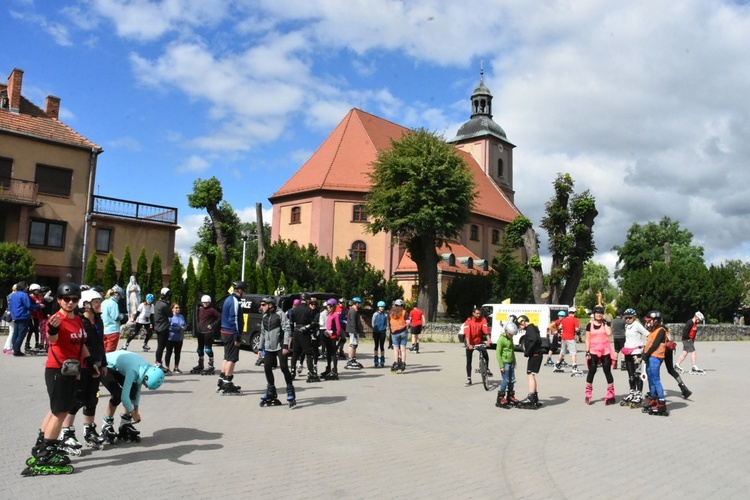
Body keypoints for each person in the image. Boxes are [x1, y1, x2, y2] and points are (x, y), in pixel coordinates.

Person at [22, 282, 96, 476]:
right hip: (58, 370)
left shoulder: (78, 320)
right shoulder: (56, 319)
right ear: (59, 300)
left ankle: (41, 444)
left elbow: (81, 344)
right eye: (66, 299)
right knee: (61, 412)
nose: (70, 302)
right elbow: (52, 339)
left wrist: (89, 361)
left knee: (56, 409)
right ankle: (48, 451)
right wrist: (52, 330)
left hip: (72, 370)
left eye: (74, 299)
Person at [60, 288, 108, 451]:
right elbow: (77, 346)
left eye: (99, 302)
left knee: (92, 398)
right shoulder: (80, 321)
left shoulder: (98, 320)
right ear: (86, 304)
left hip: (97, 364)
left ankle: (89, 430)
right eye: (96, 302)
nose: (99, 305)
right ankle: (66, 432)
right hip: (82, 365)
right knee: (76, 398)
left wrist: (104, 364)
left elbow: (101, 343)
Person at [100, 350, 166, 443]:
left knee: (133, 390)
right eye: (145, 384)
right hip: (105, 365)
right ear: (146, 378)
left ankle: (125, 423)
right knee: (117, 394)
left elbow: (137, 392)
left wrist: (136, 410)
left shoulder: (145, 370)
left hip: (117, 367)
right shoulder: (134, 370)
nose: (144, 385)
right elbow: (124, 397)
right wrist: (133, 413)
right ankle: (106, 425)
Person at [257, 296, 295, 407]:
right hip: (269, 347)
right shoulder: (264, 316)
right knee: (267, 367)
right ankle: (271, 390)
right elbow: (263, 333)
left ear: (270, 305)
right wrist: (260, 348)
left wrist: (285, 345)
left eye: (263, 305)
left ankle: (290, 390)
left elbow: (287, 329)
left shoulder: (280, 314)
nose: (261, 307)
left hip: (280, 346)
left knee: (284, 368)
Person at [218, 281, 247, 394]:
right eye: (244, 291)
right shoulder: (234, 301)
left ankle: (222, 380)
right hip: (231, 333)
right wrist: (237, 336)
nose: (245, 293)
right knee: (232, 358)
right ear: (239, 290)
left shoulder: (228, 299)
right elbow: (234, 319)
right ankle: (227, 383)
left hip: (225, 332)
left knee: (227, 356)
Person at [584, 305, 616, 405]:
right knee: (592, 371)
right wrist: (587, 351)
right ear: (594, 314)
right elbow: (587, 339)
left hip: (605, 350)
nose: (599, 315)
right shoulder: (590, 325)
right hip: (593, 350)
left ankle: (611, 393)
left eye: (601, 313)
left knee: (607, 371)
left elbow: (608, 333)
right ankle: (588, 393)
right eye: (597, 313)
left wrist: (606, 323)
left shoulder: (605, 324)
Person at [619, 308, 650, 408]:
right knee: (630, 375)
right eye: (626, 318)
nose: (628, 319)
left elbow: (648, 334)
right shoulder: (627, 326)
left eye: (630, 317)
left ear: (634, 317)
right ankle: (632, 392)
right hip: (628, 352)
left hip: (636, 353)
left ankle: (639, 394)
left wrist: (645, 347)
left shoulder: (637, 325)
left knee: (637, 375)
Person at [641, 311, 670, 416]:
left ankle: (662, 402)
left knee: (656, 379)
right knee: (651, 378)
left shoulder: (661, 330)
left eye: (650, 321)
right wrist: (644, 354)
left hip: (655, 358)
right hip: (650, 357)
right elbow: (648, 343)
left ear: (656, 320)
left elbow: (655, 344)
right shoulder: (653, 330)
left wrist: (646, 354)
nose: (648, 323)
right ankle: (653, 398)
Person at [290, 293, 321, 381]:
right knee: (308, 353)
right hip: (305, 332)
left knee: (295, 353)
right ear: (307, 300)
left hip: (296, 331)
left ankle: (292, 371)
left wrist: (292, 333)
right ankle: (311, 372)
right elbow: (313, 323)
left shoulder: (294, 310)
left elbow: (291, 322)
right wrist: (310, 327)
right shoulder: (309, 310)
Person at [517, 315, 544, 408]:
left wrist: (527, 352)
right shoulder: (534, 327)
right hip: (537, 355)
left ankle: (531, 397)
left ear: (523, 322)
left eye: (520, 325)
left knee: (530, 375)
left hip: (535, 355)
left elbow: (535, 340)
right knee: (532, 374)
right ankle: (535, 397)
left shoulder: (530, 328)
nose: (520, 327)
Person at [9, 281, 41, 356]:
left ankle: (14, 348)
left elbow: (11, 306)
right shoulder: (24, 295)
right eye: (26, 286)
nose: (27, 288)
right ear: (24, 287)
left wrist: (13, 316)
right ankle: (17, 350)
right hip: (23, 315)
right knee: (21, 334)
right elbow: (29, 306)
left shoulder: (13, 295)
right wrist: (39, 306)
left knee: (15, 333)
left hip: (15, 316)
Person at [192, 295, 221, 375]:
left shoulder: (212, 310)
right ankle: (200, 364)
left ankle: (211, 364)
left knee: (208, 349)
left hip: (208, 332)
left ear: (209, 302)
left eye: (206, 302)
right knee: (199, 350)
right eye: (204, 302)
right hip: (200, 332)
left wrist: (213, 325)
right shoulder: (200, 310)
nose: (205, 304)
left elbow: (220, 317)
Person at [461, 307, 490, 386]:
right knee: (469, 360)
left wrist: (488, 340)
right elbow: (467, 333)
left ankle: (486, 369)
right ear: (473, 313)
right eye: (477, 313)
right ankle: (469, 379)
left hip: (479, 341)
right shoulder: (469, 321)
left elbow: (485, 330)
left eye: (479, 313)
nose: (478, 315)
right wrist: (468, 344)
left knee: (485, 355)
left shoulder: (483, 319)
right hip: (470, 342)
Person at [495, 316, 519, 408]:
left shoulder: (510, 338)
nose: (512, 336)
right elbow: (498, 353)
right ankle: (500, 397)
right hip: (504, 363)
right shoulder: (501, 339)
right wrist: (501, 365)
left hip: (511, 362)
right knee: (505, 380)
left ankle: (510, 396)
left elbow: (512, 351)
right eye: (511, 334)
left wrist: (515, 362)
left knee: (512, 380)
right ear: (507, 332)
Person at [556, 307, 583, 376]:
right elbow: (577, 330)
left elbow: (559, 328)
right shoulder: (575, 320)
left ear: (568, 313)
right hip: (570, 338)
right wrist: (580, 338)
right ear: (574, 313)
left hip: (564, 338)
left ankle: (557, 365)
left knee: (562, 352)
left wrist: (559, 338)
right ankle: (574, 367)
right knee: (573, 353)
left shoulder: (564, 320)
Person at [321, 298, 342, 380]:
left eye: (329, 306)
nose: (328, 307)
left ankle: (335, 369)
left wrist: (335, 333)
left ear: (333, 306)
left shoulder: (335, 315)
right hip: (327, 336)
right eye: (327, 306)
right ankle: (328, 368)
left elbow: (338, 328)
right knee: (328, 353)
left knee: (333, 353)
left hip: (333, 336)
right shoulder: (329, 314)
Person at [153, 288, 173, 372]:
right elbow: (171, 314)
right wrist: (169, 305)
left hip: (158, 327)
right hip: (163, 328)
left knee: (160, 346)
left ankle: (158, 362)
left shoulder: (157, 303)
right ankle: (158, 363)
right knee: (161, 347)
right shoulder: (164, 305)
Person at [101, 285, 126, 352]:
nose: (119, 298)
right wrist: (123, 316)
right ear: (117, 294)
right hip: (113, 330)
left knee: (104, 351)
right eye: (120, 296)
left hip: (104, 329)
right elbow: (115, 317)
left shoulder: (104, 302)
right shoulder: (113, 303)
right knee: (110, 352)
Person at [164, 303, 186, 374]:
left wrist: (184, 327)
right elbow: (168, 327)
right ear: (172, 309)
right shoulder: (170, 317)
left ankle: (176, 367)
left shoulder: (181, 316)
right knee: (169, 353)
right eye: (176, 308)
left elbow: (185, 324)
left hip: (179, 338)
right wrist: (179, 328)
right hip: (170, 338)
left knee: (178, 353)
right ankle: (167, 367)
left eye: (179, 308)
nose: (178, 309)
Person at [390, 299, 410, 373]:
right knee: (403, 349)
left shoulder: (391, 313)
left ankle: (395, 363)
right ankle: (403, 364)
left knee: (396, 349)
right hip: (403, 331)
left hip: (394, 332)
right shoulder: (404, 312)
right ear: (402, 305)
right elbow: (408, 322)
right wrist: (407, 326)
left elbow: (389, 322)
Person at [345, 297, 364, 370]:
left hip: (354, 331)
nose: (360, 305)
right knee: (352, 344)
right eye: (359, 303)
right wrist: (355, 331)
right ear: (356, 303)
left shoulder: (354, 310)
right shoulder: (353, 311)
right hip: (353, 331)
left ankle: (353, 358)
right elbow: (353, 322)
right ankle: (350, 359)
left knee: (354, 345)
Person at [25, 283, 44, 352]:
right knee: (31, 329)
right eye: (36, 290)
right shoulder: (30, 297)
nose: (38, 292)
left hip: (37, 315)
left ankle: (36, 343)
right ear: (32, 290)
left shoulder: (38, 297)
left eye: (38, 291)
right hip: (31, 315)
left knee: (36, 330)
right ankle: (27, 344)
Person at [371, 300, 388, 367]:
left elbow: (386, 323)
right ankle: (376, 358)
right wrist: (375, 328)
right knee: (376, 345)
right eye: (381, 307)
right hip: (376, 332)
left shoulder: (385, 315)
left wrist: (385, 329)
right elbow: (373, 322)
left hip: (382, 332)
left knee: (382, 346)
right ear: (378, 307)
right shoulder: (375, 314)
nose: (382, 308)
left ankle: (382, 358)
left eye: (383, 307)